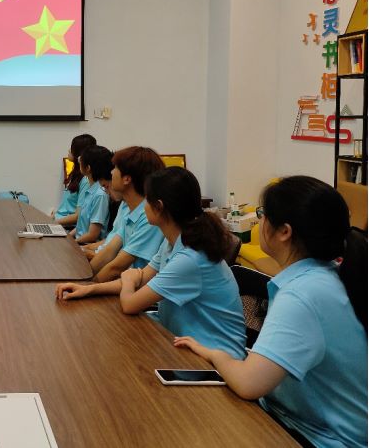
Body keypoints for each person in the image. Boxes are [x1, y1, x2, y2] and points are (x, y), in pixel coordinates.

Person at [174, 176, 367, 447]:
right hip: (292, 420)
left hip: (314, 437)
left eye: (263, 214)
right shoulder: (325, 276)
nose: (260, 221)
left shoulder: (303, 294)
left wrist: (217, 355)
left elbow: (249, 384)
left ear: (284, 231)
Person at [57, 167, 246, 359]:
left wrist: (129, 280)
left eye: (147, 199)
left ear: (159, 206)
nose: (143, 205)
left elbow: (130, 303)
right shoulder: (173, 240)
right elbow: (143, 278)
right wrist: (89, 289)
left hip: (213, 361)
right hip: (183, 342)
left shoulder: (190, 258)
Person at [89, 146, 165, 282]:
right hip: (126, 282)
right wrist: (83, 278)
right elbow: (109, 251)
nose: (111, 172)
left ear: (127, 179)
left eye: (115, 168)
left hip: (139, 288)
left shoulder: (150, 216)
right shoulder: (129, 208)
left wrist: (88, 286)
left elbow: (116, 267)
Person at [68, 145, 112, 245]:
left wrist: (72, 243)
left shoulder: (100, 194)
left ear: (88, 168)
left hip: (87, 245)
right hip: (79, 241)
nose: (79, 160)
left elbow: (92, 235)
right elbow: (81, 227)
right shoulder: (90, 189)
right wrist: (68, 237)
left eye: (81, 160)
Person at [54, 133, 97, 228]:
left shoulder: (85, 181)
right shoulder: (75, 175)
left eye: (72, 148)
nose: (69, 150)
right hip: (59, 222)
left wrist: (54, 222)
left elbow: (78, 216)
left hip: (67, 227)